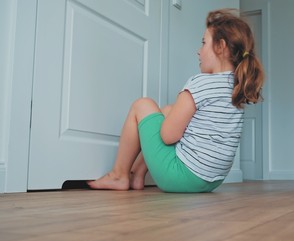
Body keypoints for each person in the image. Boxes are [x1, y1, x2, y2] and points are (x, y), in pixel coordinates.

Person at [87, 9, 264, 192]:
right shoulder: (236, 88)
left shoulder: (200, 83)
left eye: (204, 43)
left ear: (220, 47)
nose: (199, 51)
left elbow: (168, 135)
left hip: (182, 176)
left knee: (142, 105)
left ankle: (119, 175)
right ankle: (136, 174)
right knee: (168, 110)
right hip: (212, 180)